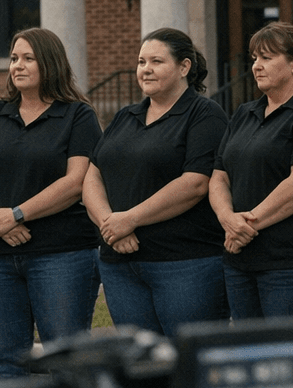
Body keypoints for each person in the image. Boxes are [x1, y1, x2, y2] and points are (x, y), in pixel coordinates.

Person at [0, 28, 101, 381]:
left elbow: (76, 181)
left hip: (60, 255)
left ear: (50, 63)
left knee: (65, 359)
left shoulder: (78, 116)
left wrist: (17, 215)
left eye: (28, 58)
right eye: (14, 58)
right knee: (5, 359)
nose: (17, 66)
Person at [83, 28, 228, 335]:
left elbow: (195, 183)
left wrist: (129, 219)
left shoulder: (205, 115)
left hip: (184, 264)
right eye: (141, 62)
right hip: (120, 263)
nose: (145, 69)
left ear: (184, 67)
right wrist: (110, 225)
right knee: (141, 359)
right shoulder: (125, 116)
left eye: (156, 61)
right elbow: (93, 173)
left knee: (187, 356)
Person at [210, 22, 293, 319]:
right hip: (240, 261)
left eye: (267, 58)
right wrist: (227, 218)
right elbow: (219, 176)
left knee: (291, 347)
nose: (256, 66)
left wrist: (246, 225)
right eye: (254, 58)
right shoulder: (244, 113)